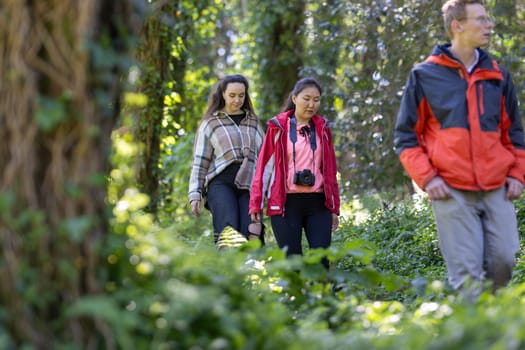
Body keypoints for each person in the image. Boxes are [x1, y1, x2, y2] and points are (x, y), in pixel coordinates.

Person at [394, 0, 525, 299]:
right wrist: (428, 178)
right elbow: (406, 137)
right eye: (480, 19)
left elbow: (514, 133)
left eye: (487, 19)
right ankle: (477, 337)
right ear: (457, 25)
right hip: (450, 188)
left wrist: (517, 174)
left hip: (497, 187)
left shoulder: (498, 76)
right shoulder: (424, 75)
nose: (488, 25)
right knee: (467, 276)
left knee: (504, 260)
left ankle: (487, 321)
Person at [249, 77, 340, 268]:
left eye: (316, 100)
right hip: (285, 203)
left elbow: (331, 171)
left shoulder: (323, 129)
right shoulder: (278, 128)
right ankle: (295, 298)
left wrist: (334, 207)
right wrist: (255, 203)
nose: (311, 104)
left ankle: (321, 297)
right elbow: (263, 168)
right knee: (293, 263)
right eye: (306, 98)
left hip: (318, 203)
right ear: (294, 98)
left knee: (321, 260)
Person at [188, 74, 265, 244]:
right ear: (222, 94)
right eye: (232, 95)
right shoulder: (211, 123)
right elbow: (200, 161)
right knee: (228, 229)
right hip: (221, 181)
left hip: (249, 182)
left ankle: (253, 270)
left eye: (241, 95)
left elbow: (265, 158)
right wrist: (195, 194)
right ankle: (228, 269)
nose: (237, 100)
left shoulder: (253, 122)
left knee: (251, 229)